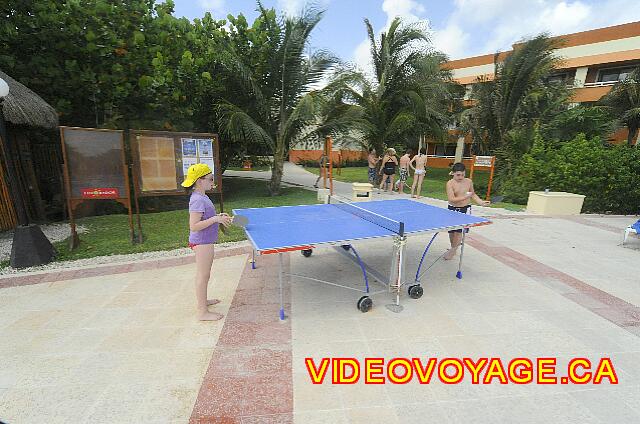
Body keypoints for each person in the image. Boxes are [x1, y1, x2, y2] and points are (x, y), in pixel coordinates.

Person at [181, 163, 233, 321]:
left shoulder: (203, 196)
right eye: (210, 179)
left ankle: (203, 302)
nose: (213, 182)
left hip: (206, 241)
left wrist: (218, 216)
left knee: (205, 274)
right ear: (199, 181)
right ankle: (202, 312)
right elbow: (194, 226)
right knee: (203, 276)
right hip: (202, 242)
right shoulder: (197, 200)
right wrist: (215, 219)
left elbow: (206, 217)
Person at [444, 162, 490, 260]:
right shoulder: (450, 183)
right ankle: (454, 248)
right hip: (452, 209)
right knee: (452, 232)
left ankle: (452, 251)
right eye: (458, 175)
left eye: (462, 175)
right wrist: (466, 196)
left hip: (464, 209)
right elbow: (451, 199)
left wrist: (480, 202)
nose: (460, 177)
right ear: (453, 173)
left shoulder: (468, 181)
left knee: (458, 231)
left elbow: (472, 194)